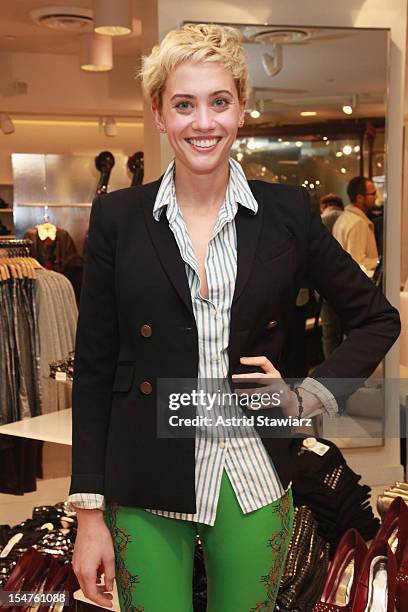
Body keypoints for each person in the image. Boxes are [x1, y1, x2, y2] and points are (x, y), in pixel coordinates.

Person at [68, 24, 400, 611]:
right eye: (184, 104)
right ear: (160, 113)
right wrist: (88, 511)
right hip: (145, 475)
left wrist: (309, 396)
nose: (203, 122)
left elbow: (377, 318)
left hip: (253, 473)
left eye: (219, 101)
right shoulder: (118, 218)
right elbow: (95, 369)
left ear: (241, 108)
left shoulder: (289, 212)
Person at [332, 176, 379, 272]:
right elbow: (357, 261)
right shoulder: (358, 223)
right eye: (373, 194)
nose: (376, 196)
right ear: (360, 198)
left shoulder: (343, 218)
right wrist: (380, 262)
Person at [319, 194, 344, 358]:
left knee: (329, 330)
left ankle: (332, 373)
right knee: (345, 330)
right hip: (345, 279)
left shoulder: (319, 220)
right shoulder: (346, 219)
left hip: (325, 280)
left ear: (324, 205)